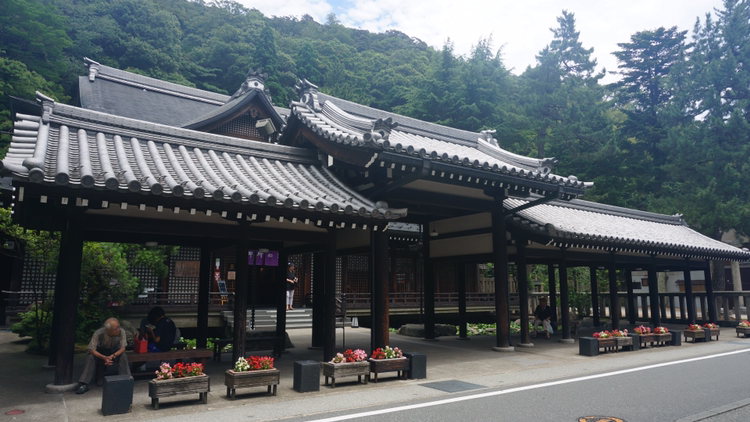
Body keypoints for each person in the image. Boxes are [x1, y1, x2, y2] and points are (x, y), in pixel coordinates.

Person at [76, 317, 131, 394]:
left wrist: (112, 356)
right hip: (100, 352)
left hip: (114, 352)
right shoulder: (98, 333)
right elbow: (92, 349)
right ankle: (83, 383)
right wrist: (104, 357)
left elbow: (123, 348)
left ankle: (126, 380)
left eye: (118, 326)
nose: (118, 329)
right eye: (115, 328)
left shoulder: (121, 332)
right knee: (90, 357)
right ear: (107, 329)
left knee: (123, 356)